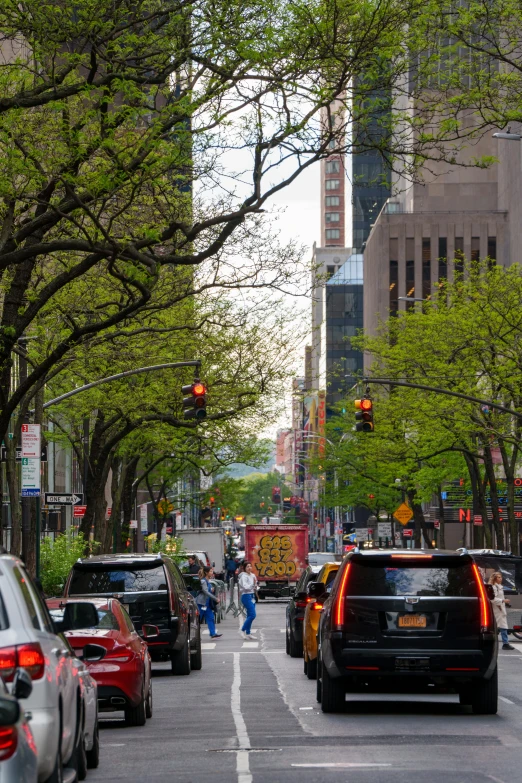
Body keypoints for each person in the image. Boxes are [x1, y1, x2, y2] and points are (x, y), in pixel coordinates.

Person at [489, 571, 515, 650]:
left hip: (500, 609)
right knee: (499, 627)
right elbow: (492, 599)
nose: (501, 579)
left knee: (502, 626)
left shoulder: (499, 586)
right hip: (497, 609)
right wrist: (503, 601)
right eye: (499, 577)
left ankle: (505, 643)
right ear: (495, 578)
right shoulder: (494, 587)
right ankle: (504, 643)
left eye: (501, 577)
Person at [197, 567, 222, 639]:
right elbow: (205, 591)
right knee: (198, 619)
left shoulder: (208, 581)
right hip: (201, 603)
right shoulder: (203, 581)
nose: (212, 573)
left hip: (207, 604)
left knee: (210, 618)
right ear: (206, 572)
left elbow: (208, 590)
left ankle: (213, 633)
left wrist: (212, 590)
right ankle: (195, 635)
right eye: (211, 571)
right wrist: (215, 598)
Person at [238, 561, 258, 639]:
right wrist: (253, 584)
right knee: (253, 615)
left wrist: (256, 586)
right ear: (244, 568)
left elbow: (255, 585)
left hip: (252, 595)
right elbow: (245, 587)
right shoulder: (243, 576)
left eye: (250, 566)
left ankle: (248, 632)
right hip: (246, 596)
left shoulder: (253, 575)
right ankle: (242, 629)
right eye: (247, 567)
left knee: (249, 615)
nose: (249, 568)